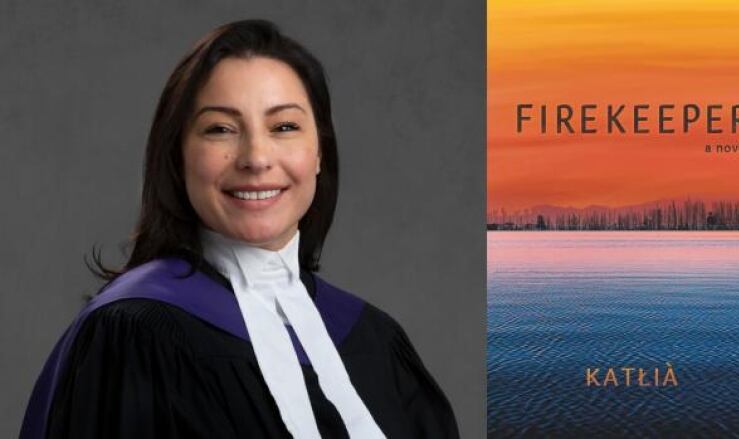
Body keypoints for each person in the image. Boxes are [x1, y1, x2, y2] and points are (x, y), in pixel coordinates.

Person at [20, 19, 459, 439]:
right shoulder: (135, 334)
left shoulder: (375, 342)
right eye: (221, 129)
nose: (256, 157)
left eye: (284, 126)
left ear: (319, 152)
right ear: (177, 157)